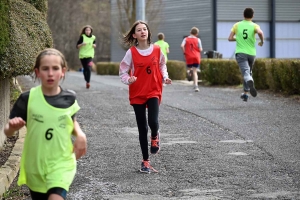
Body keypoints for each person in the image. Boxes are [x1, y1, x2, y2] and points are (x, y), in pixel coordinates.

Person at [4, 48, 87, 200]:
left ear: (63, 71)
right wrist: (12, 127)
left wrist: (80, 135)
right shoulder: (27, 99)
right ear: (37, 72)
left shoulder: (70, 98)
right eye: (45, 69)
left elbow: (71, 122)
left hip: (62, 164)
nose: (50, 73)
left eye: (55, 68)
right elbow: (8, 132)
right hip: (36, 167)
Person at [119, 20, 172, 174]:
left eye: (145, 29)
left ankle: (155, 135)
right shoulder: (131, 53)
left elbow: (162, 64)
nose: (143, 32)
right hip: (137, 93)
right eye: (139, 30)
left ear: (148, 32)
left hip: (154, 90)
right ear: (134, 35)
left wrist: (165, 77)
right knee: (142, 128)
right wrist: (128, 80)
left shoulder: (157, 49)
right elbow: (123, 71)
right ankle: (145, 161)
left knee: (153, 122)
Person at [228, 7, 264, 102]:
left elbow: (230, 38)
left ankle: (248, 82)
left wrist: (238, 38)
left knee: (246, 72)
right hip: (252, 53)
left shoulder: (237, 25)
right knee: (248, 72)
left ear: (243, 15)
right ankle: (245, 94)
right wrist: (262, 41)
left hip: (241, 53)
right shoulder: (255, 26)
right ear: (252, 16)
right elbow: (260, 32)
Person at [181, 27, 203, 92]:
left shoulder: (186, 39)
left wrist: (184, 52)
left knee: (189, 68)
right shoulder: (198, 39)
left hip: (188, 56)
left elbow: (182, 46)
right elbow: (201, 49)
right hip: (196, 56)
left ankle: (189, 73)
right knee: (195, 71)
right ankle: (196, 86)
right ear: (196, 34)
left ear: (190, 32)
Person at [76, 25, 96, 89]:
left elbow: (95, 44)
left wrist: (94, 45)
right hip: (82, 55)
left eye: (89, 30)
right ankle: (86, 78)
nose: (88, 31)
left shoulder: (93, 37)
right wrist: (82, 44)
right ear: (84, 31)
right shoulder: (82, 37)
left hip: (90, 55)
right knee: (85, 68)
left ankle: (88, 82)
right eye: (86, 30)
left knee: (89, 68)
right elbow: (77, 46)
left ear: (91, 31)